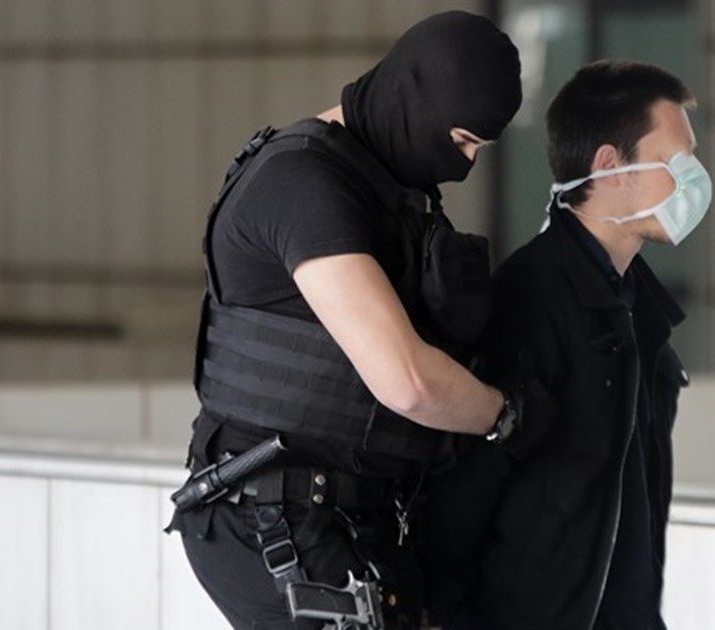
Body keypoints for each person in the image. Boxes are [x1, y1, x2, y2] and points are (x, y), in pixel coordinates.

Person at [165, 11, 527, 630]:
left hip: (356, 518)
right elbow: (407, 381)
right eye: (462, 140)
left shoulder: (385, 188)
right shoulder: (303, 184)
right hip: (277, 521)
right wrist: (505, 415)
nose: (465, 164)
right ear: (414, 98)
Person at [419, 60, 709, 630]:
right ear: (610, 165)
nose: (694, 179)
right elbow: (467, 483)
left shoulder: (637, 308)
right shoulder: (533, 297)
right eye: (679, 160)